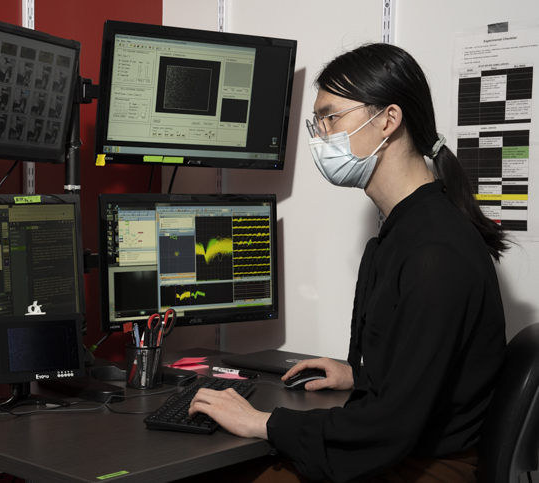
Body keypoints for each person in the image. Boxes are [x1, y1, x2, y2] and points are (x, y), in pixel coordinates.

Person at [187, 43, 508, 483]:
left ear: (388, 121)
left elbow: (390, 428)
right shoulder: (411, 228)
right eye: (316, 122)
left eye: (331, 118)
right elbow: (423, 373)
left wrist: (262, 421)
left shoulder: (435, 254)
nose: (320, 137)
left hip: (423, 468)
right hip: (405, 450)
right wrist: (361, 375)